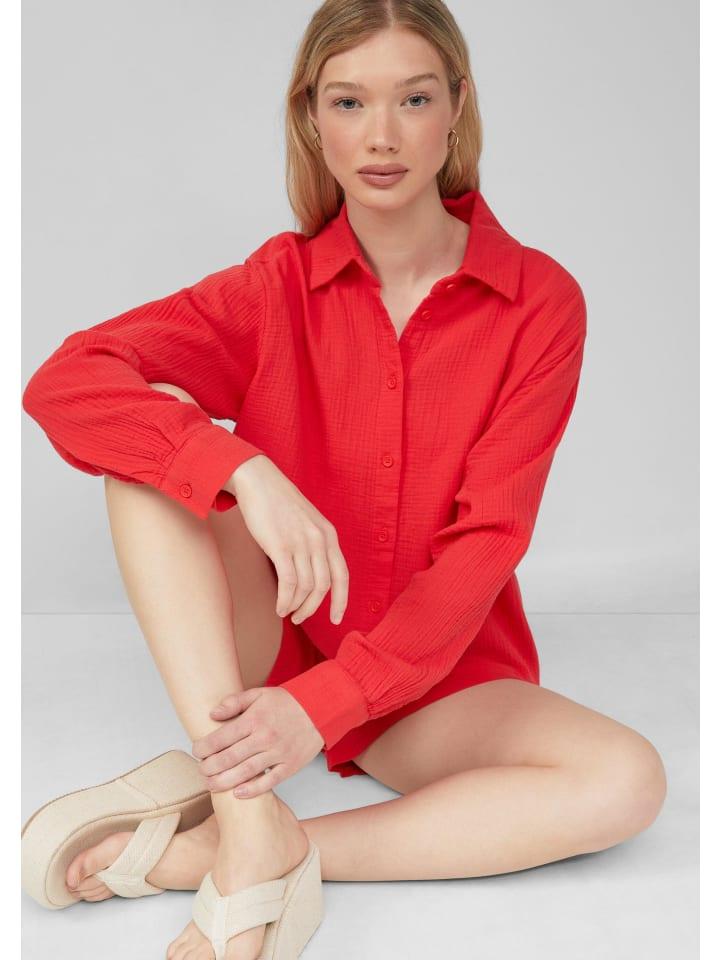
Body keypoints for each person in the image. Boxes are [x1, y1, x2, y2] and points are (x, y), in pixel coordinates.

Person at [21, 2, 667, 958]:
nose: (381, 136)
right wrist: (245, 469)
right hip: (273, 647)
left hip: (434, 680)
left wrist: (320, 709)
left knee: (628, 782)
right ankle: (251, 820)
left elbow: (488, 545)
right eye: (350, 101)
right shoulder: (272, 287)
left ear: (458, 107)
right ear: (312, 119)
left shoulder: (541, 302)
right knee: (150, 456)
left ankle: (231, 851)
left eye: (414, 99)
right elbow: (66, 382)